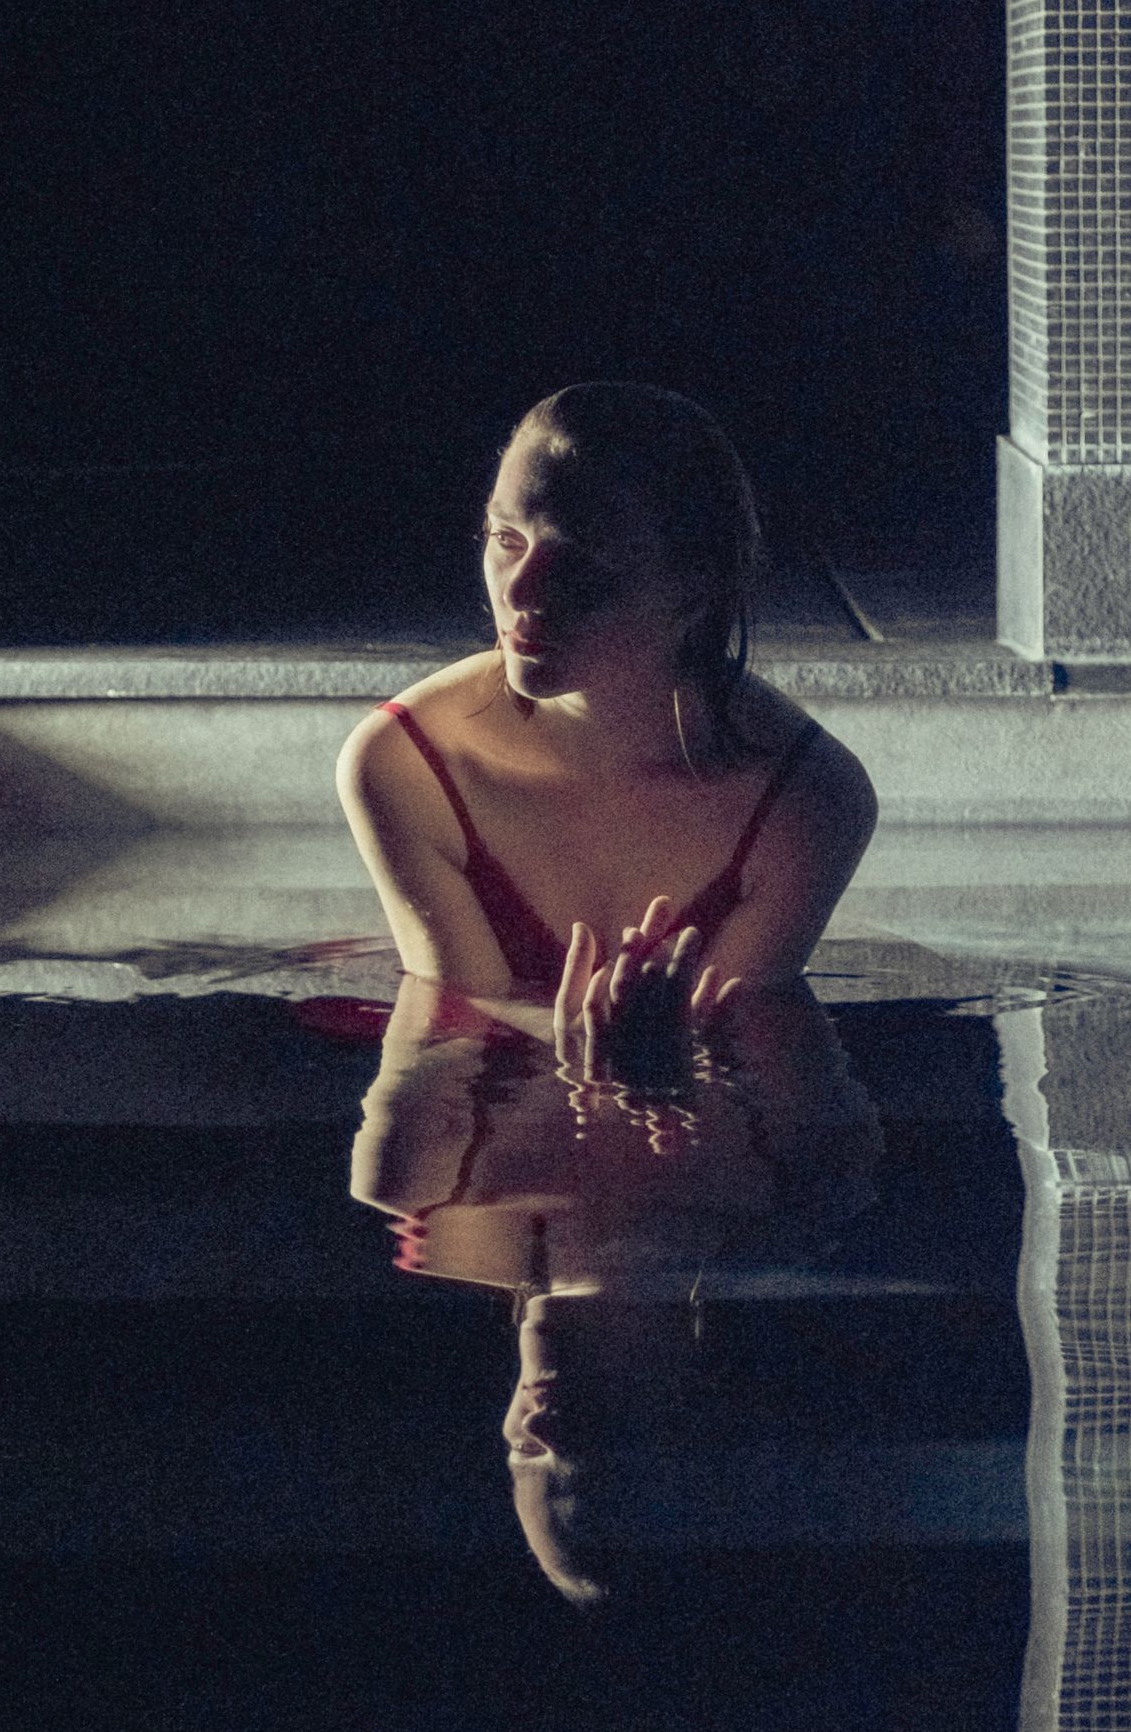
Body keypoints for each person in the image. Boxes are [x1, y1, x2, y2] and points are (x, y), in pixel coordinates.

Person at [334, 381, 878, 1049]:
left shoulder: (811, 799)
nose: (519, 590)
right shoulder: (407, 762)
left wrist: (636, 1055)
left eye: (578, 559)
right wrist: (609, 1046)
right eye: (505, 537)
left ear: (697, 583)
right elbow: (443, 1053)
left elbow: (759, 1072)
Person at [349, 969, 884, 1605]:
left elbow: (444, 982)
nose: (544, 1426)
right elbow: (770, 990)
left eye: (525, 1451)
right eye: (598, 1450)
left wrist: (566, 1048)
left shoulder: (420, 1191)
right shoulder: (808, 1187)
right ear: (692, 1409)